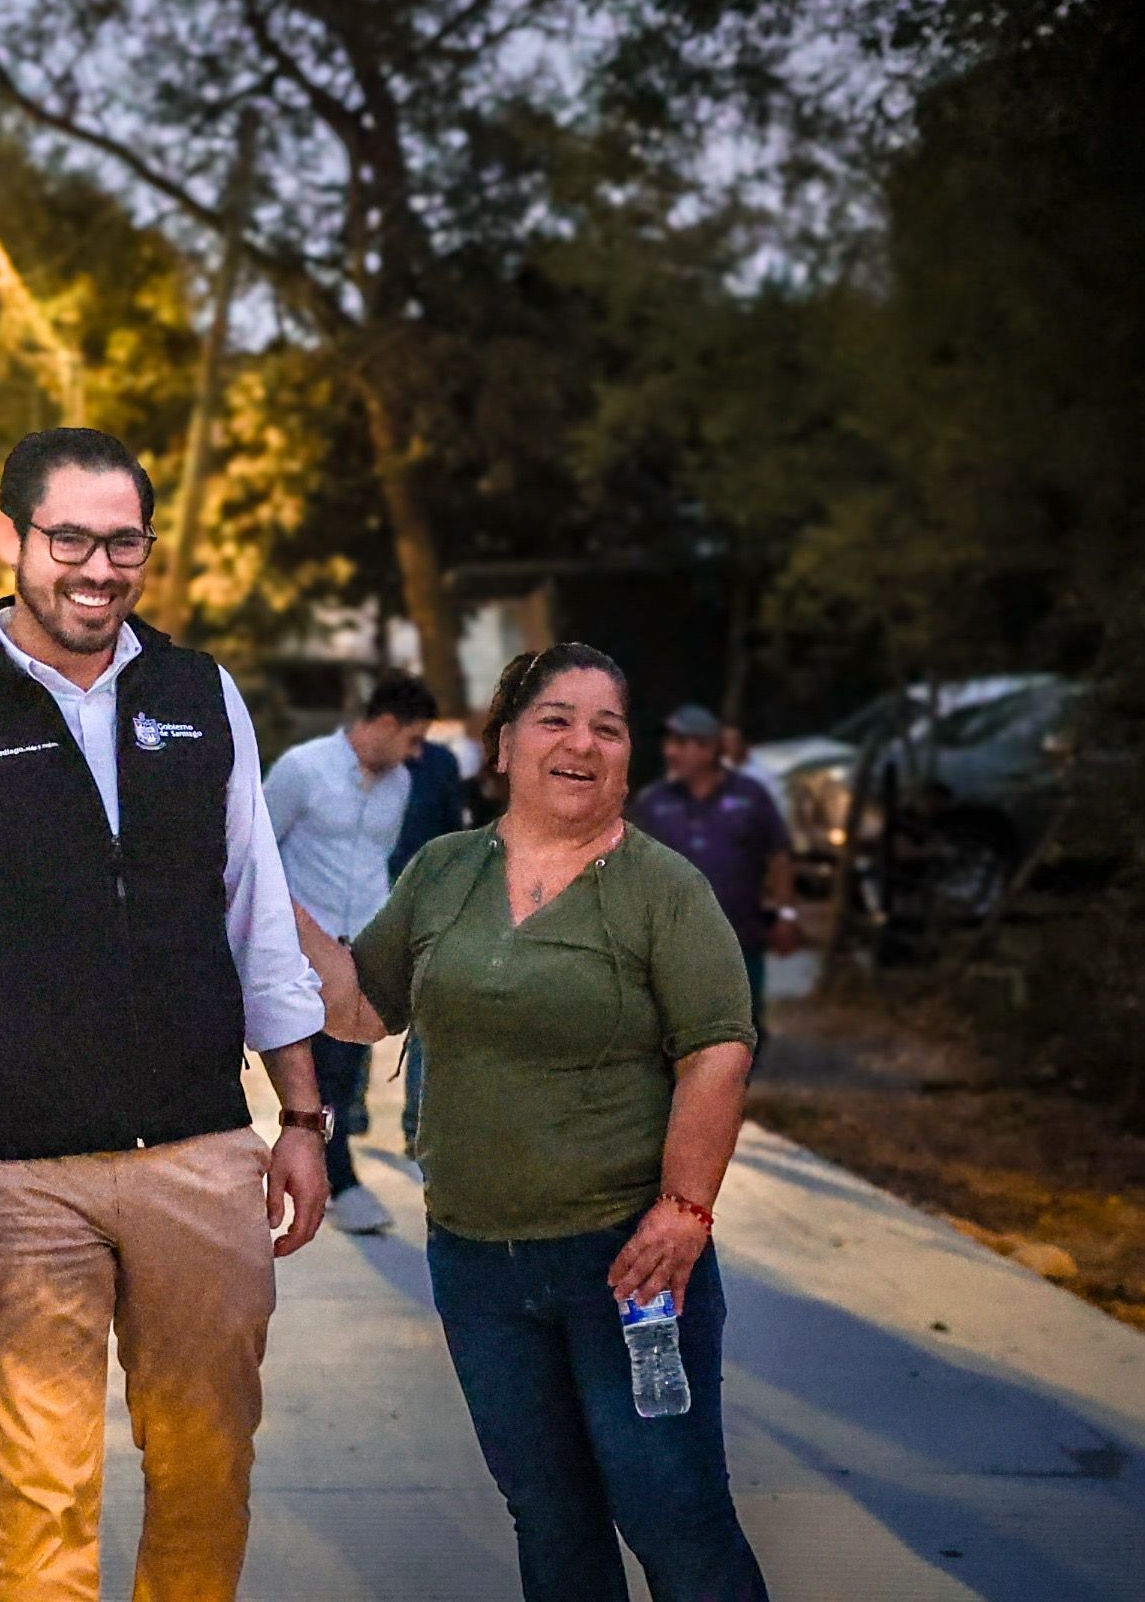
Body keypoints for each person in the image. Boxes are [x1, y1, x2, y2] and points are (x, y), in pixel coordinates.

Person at [0, 426, 333, 1602]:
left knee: (209, 1471)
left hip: (201, 1156)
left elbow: (257, 916)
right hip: (10, 1177)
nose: (97, 570)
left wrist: (303, 1116)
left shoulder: (199, 695)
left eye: (125, 543)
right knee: (45, 1497)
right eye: (70, 539)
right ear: (9, 537)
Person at [337, 643, 769, 1602]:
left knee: (675, 1518)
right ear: (503, 745)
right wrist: (250, 881)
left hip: (625, 1264)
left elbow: (718, 1050)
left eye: (607, 728)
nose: (583, 743)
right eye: (556, 720)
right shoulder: (445, 870)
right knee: (551, 1518)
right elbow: (360, 1008)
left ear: (628, 758)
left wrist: (685, 1208)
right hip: (475, 1261)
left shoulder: (664, 890)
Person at [264, 673, 439, 1234]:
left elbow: (377, 863)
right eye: (412, 738)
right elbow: (258, 849)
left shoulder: (398, 785)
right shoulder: (303, 769)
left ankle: (326, 1167)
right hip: (303, 948)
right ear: (385, 723)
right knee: (322, 1072)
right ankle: (339, 1181)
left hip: (364, 947)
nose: (416, 753)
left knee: (348, 1065)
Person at [629, 703, 802, 1047]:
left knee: (741, 1031)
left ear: (707, 749)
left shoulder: (751, 797)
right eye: (668, 743)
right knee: (671, 1035)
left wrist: (786, 914)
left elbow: (780, 855)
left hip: (740, 941)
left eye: (680, 743)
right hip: (670, 948)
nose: (669, 752)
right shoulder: (653, 802)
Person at [390, 713, 471, 1152]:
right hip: (375, 901)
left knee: (425, 1016)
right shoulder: (372, 763)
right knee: (362, 1008)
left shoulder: (441, 764)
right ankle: (350, 1111)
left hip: (431, 902)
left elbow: (454, 827)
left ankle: (415, 1127)